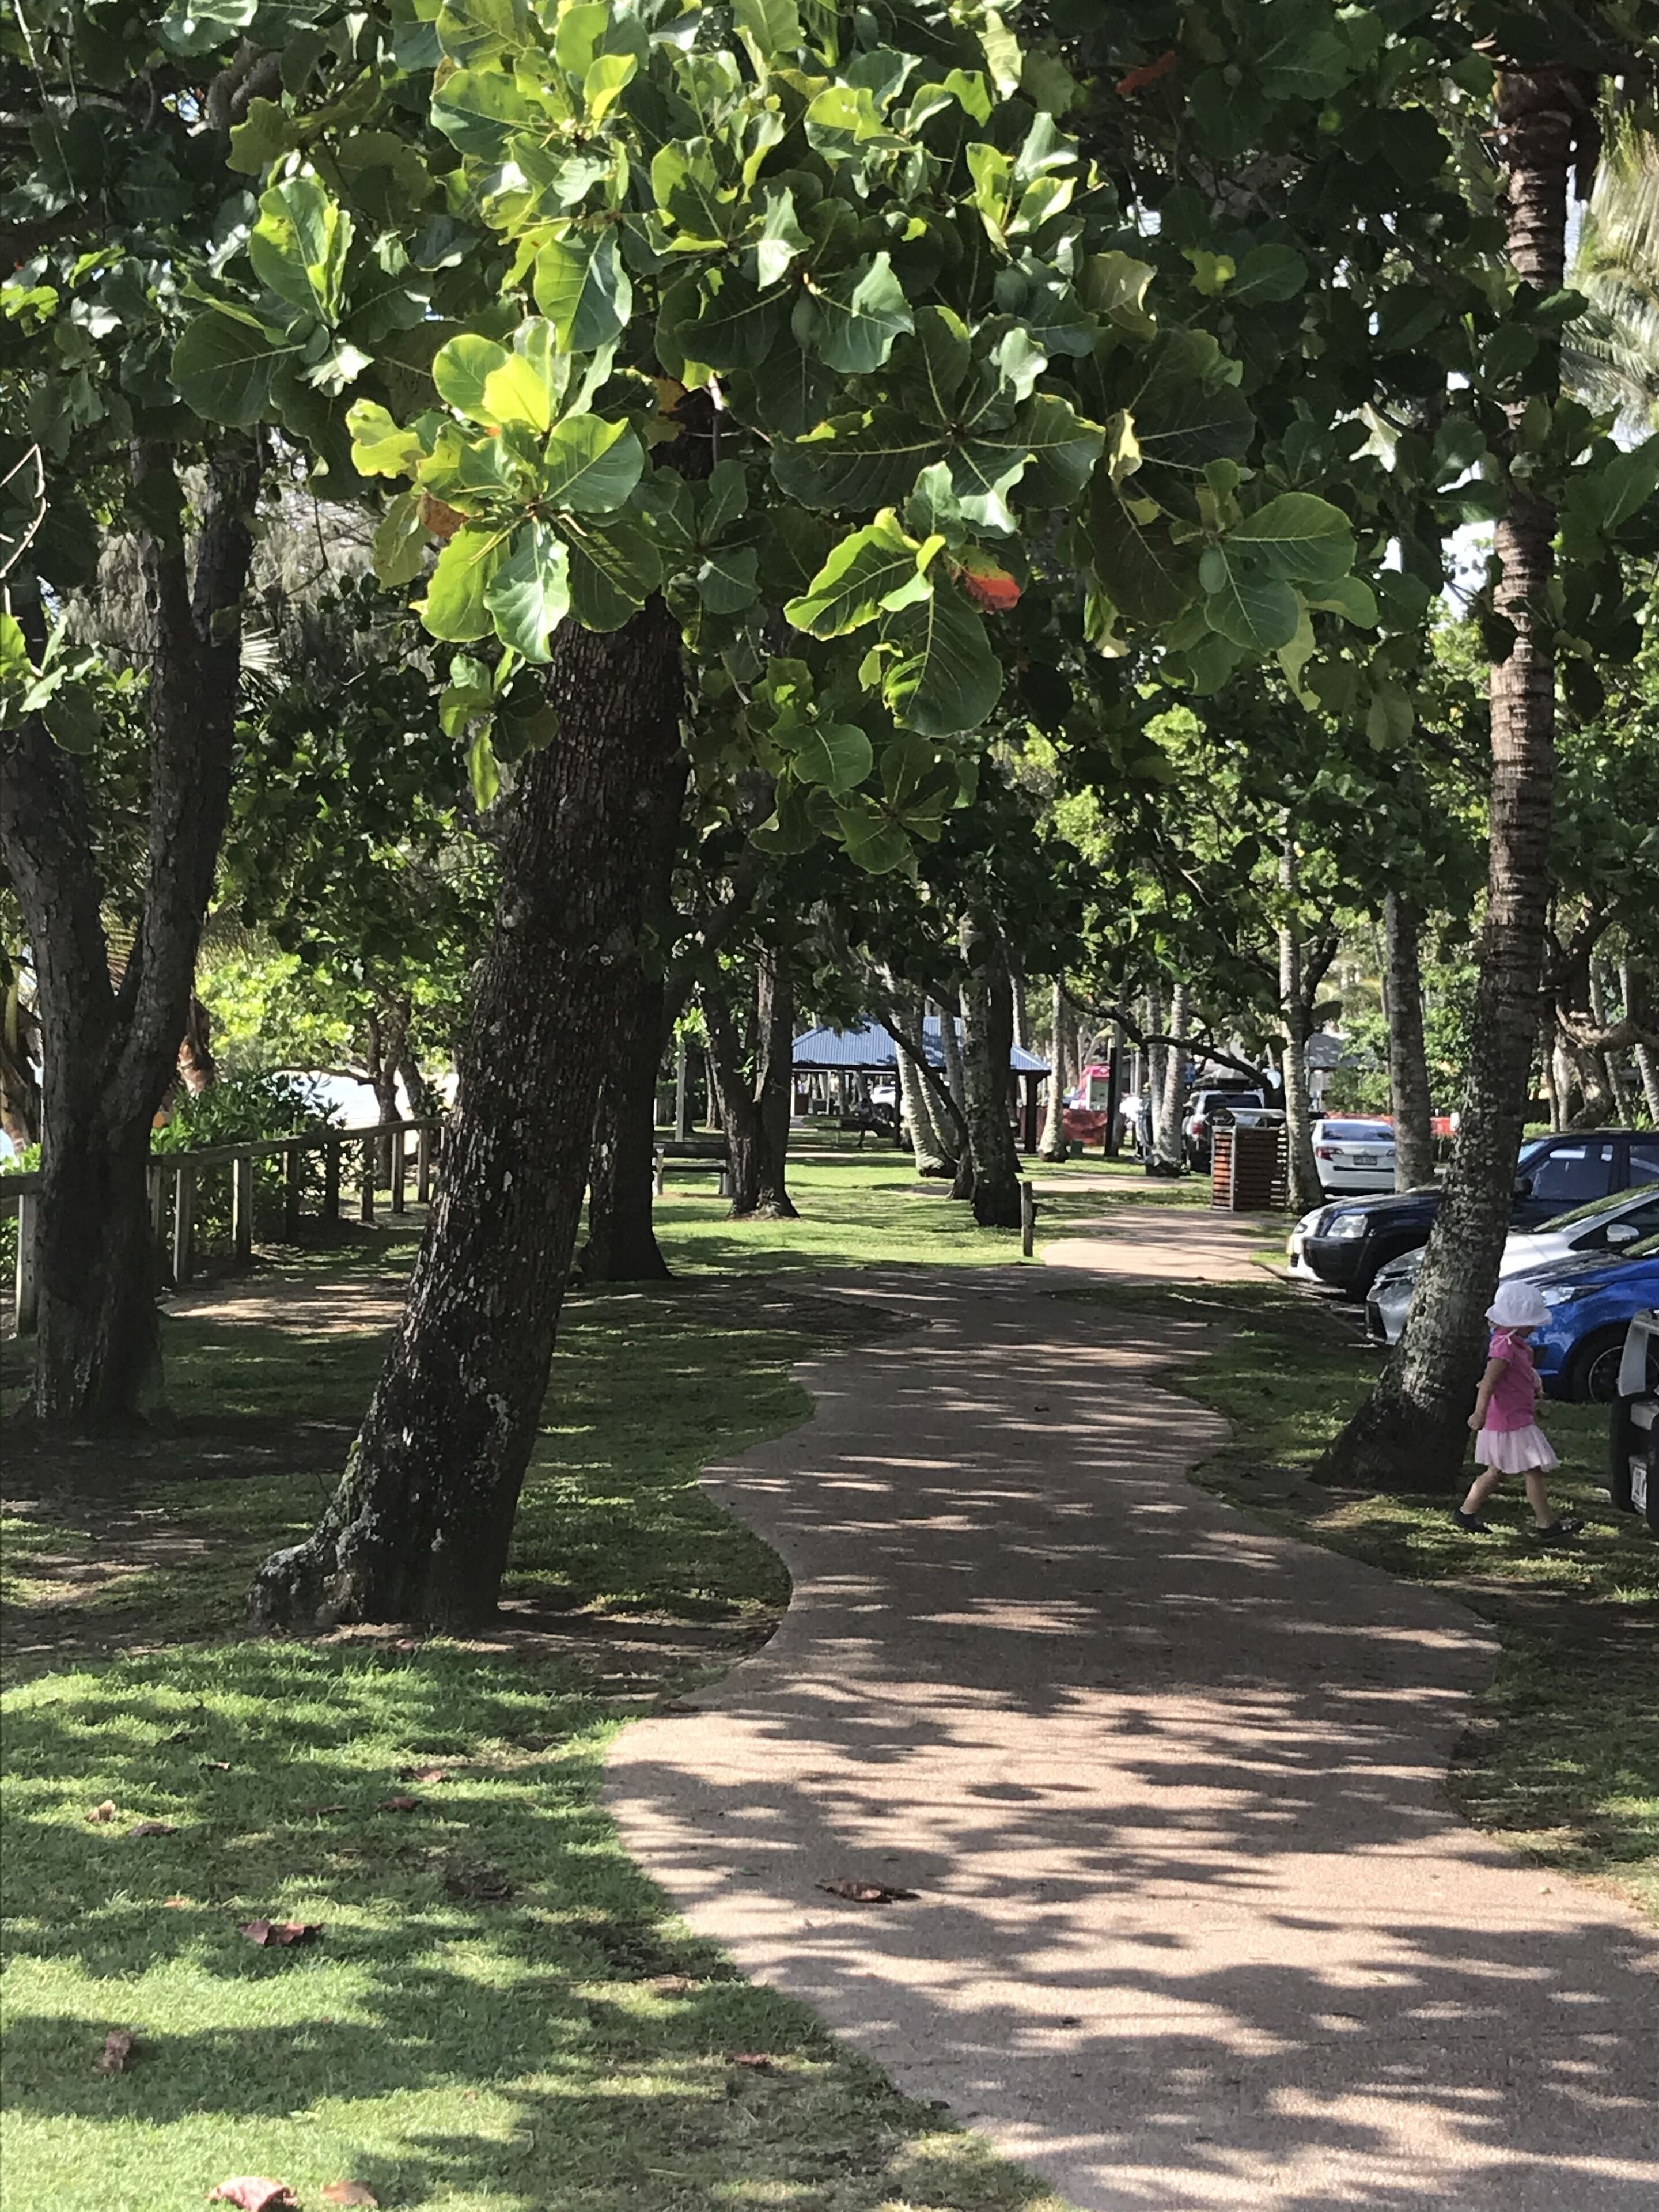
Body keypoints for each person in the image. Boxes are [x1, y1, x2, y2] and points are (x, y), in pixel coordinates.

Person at [1453, 1281, 1582, 1542]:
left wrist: (1536, 1394)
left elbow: (1519, 1379)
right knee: (1533, 1468)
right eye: (1531, 1322)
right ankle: (1546, 1524)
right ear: (1517, 1322)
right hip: (1510, 1422)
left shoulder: (1516, 1346)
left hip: (1512, 1418)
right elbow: (1488, 1383)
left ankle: (1466, 1513)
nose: (1535, 1327)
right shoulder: (1504, 1348)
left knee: (1496, 1471)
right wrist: (1479, 1413)